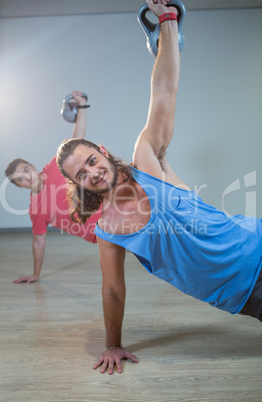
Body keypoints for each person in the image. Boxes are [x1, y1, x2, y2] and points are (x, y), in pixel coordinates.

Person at [56, 0, 262, 375]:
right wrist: (113, 344)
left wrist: (168, 21)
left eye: (90, 161)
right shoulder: (109, 230)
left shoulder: (149, 162)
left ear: (101, 152)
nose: (93, 172)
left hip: (256, 242)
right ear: (78, 186)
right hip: (245, 293)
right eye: (81, 175)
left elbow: (164, 91)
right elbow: (113, 291)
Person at [5, 91, 101, 284]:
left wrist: (81, 105)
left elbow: (77, 137)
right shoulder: (36, 210)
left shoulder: (54, 167)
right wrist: (35, 275)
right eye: (20, 179)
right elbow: (39, 241)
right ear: (20, 187)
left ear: (32, 166)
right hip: (99, 235)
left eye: (26, 170)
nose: (26, 177)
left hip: (110, 211)